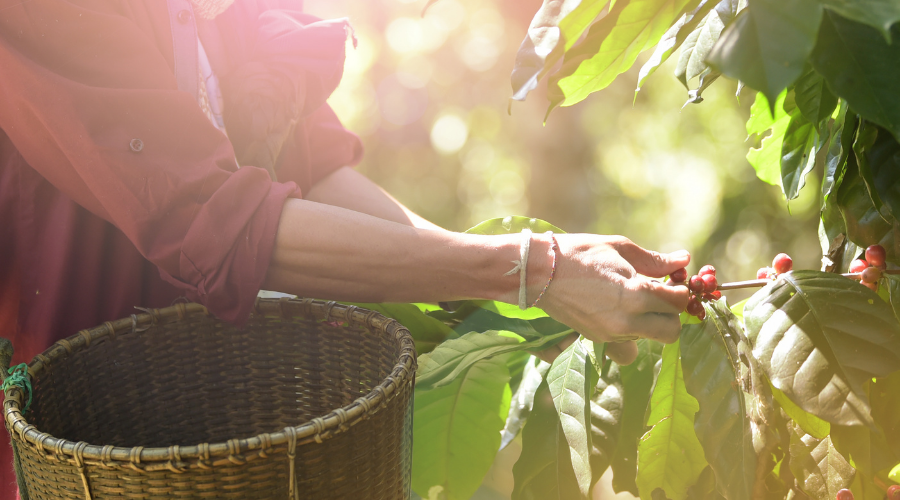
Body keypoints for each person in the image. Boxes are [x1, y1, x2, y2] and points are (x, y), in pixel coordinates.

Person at [0, 0, 690, 495]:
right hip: (89, 454)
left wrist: (520, 292)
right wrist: (530, 271)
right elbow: (220, 223)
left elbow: (314, 174)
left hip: (243, 439)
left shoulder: (234, 14)